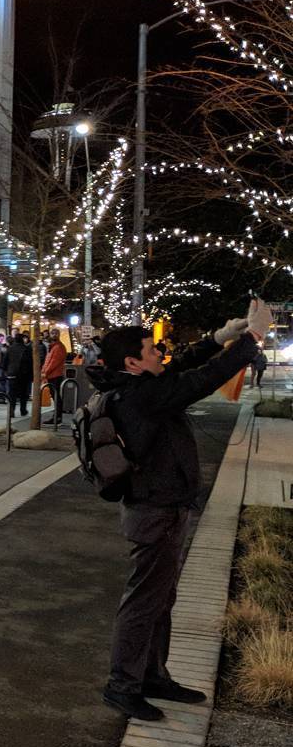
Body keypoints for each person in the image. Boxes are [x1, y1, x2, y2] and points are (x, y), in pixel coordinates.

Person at [89, 302, 270, 722]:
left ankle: (151, 675)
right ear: (133, 362)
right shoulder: (141, 396)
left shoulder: (138, 384)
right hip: (155, 511)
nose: (161, 353)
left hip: (163, 507)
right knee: (143, 601)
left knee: (160, 599)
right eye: (153, 350)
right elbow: (200, 380)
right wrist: (250, 341)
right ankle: (122, 685)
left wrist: (220, 337)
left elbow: (185, 365)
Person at [42, 328, 68, 424]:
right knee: (55, 396)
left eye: (56, 333)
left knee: (56, 397)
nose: (53, 335)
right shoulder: (53, 347)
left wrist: (45, 372)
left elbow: (54, 362)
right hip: (52, 375)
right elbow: (48, 361)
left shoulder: (58, 347)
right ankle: (56, 416)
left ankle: (57, 418)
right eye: (52, 333)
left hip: (55, 375)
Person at [5, 332, 32, 418]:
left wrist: (6, 371)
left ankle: (11, 410)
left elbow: (5, 361)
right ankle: (23, 410)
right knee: (23, 393)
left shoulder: (10, 348)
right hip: (24, 374)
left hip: (12, 373)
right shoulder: (27, 349)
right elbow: (30, 363)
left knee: (12, 393)